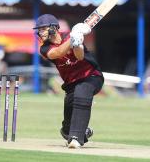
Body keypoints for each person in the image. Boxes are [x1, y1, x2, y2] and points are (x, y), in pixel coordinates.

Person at [33, 14, 104, 148]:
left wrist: (77, 42)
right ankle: (76, 132)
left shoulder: (70, 36)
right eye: (39, 30)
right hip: (71, 84)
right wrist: (73, 38)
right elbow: (58, 53)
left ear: (54, 28)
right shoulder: (45, 48)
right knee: (67, 128)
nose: (40, 32)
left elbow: (80, 56)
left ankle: (76, 138)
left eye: (43, 29)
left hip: (91, 76)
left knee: (82, 93)